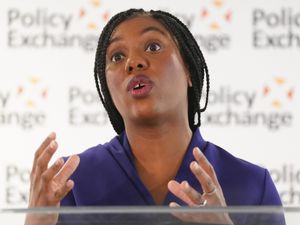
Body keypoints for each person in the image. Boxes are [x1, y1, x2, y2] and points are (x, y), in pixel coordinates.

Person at [25, 8, 285, 225]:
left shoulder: (253, 186)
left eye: (153, 46)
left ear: (189, 71)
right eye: (117, 56)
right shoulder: (70, 185)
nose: (133, 62)